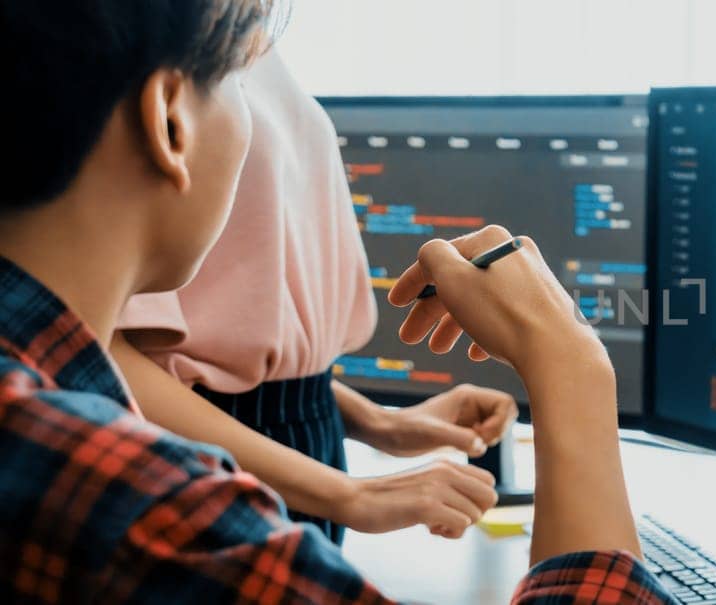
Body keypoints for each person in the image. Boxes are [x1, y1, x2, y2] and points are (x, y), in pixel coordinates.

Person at [0, 1, 668, 602]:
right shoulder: (145, 512)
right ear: (170, 121)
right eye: (235, 82)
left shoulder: (48, 395)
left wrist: (372, 419)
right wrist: (572, 365)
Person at [110, 47, 519, 545]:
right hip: (211, 466)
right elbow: (97, 349)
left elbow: (244, 348)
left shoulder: (257, 41)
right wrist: (351, 495)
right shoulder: (155, 33)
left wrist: (377, 423)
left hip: (302, 448)